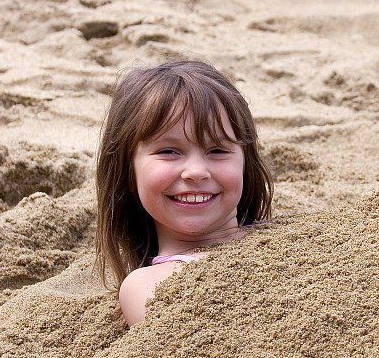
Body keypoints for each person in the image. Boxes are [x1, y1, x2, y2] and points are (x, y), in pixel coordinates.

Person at [94, 60, 273, 326]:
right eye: (168, 151)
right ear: (128, 173)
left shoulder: (289, 236)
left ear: (245, 165)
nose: (196, 172)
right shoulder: (147, 286)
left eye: (217, 151)